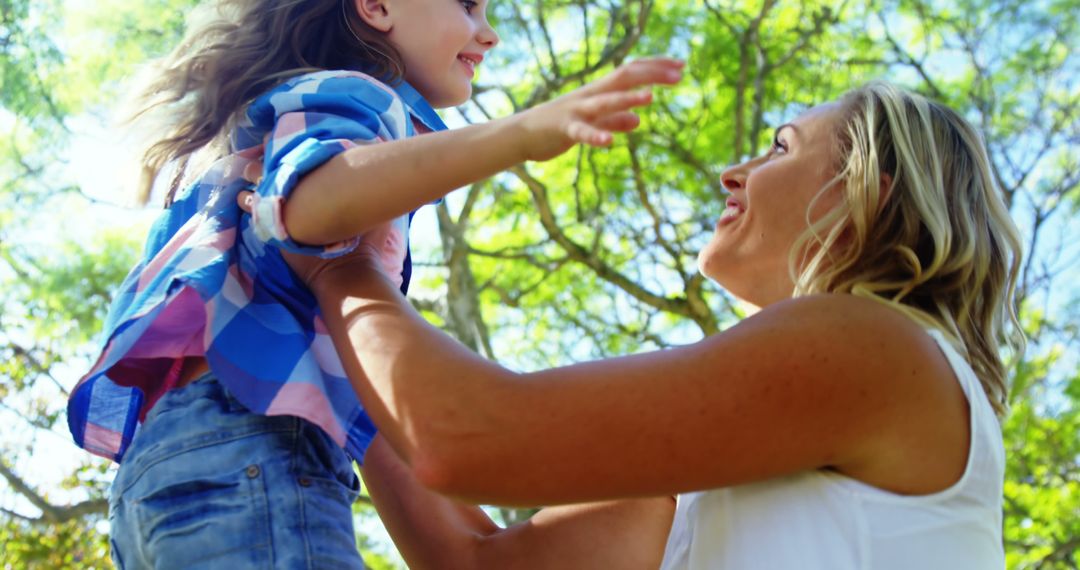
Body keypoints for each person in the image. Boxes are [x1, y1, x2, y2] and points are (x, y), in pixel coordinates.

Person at [269, 80, 1024, 569]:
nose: (735, 172)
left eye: (781, 146)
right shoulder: (705, 465)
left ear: (862, 196)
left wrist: (340, 264)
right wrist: (334, 334)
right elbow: (474, 560)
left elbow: (468, 438)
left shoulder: (876, 348)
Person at [65, 0, 683, 566]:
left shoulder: (264, 142)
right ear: (378, 5)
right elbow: (305, 204)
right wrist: (517, 135)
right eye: (468, 5)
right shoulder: (356, 96)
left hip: (169, 472)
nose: (488, 33)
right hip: (250, 449)